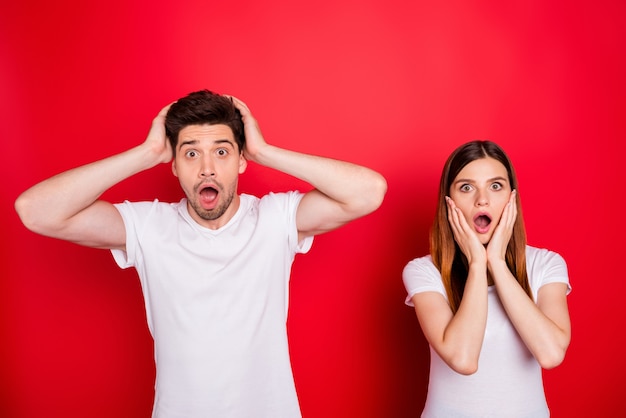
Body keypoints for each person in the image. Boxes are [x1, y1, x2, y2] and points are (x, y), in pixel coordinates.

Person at [15, 89, 387, 418]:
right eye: (191, 153)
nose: (207, 168)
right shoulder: (148, 226)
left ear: (241, 161)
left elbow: (368, 191)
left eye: (222, 152)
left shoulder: (275, 219)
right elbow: (36, 211)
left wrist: (264, 151)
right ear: (173, 164)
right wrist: (145, 154)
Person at [402, 140, 571, 417]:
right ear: (449, 201)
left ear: (511, 197)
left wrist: (497, 262)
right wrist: (478, 264)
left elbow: (551, 354)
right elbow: (463, 358)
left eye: (495, 186)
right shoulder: (423, 271)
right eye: (466, 187)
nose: (482, 199)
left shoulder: (546, 264)